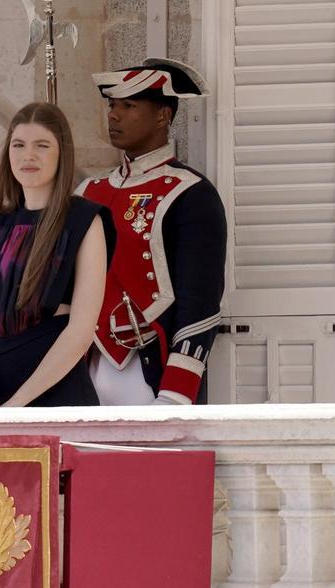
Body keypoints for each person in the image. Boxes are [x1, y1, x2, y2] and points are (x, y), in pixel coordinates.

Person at [81, 58, 227, 404]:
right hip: (84, 369)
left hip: (151, 373)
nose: (113, 115)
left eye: (128, 105)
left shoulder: (192, 192)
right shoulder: (88, 192)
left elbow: (200, 303)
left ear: (163, 116)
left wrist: (176, 392)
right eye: (111, 105)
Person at [0, 102, 114, 407]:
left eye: (42, 145)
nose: (28, 155)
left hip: (56, 397)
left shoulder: (84, 220)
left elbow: (81, 331)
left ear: (62, 153)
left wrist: (17, 406)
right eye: (18, 145)